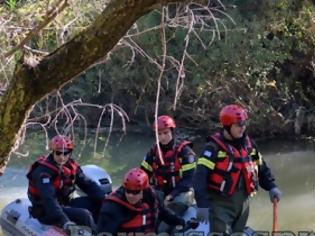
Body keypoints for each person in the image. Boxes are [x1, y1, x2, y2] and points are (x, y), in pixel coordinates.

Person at [193, 104, 282, 234]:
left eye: (244, 124)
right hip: (220, 204)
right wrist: (202, 206)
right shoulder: (212, 149)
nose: (242, 128)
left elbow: (261, 167)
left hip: (243, 204)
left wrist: (271, 186)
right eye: (238, 125)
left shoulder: (249, 146)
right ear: (227, 126)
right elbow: (199, 178)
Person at [27, 135, 106, 234]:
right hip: (45, 210)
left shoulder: (70, 166)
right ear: (52, 152)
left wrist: (106, 199)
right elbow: (48, 199)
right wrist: (64, 221)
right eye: (58, 153)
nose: (62, 157)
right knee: (84, 215)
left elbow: (88, 184)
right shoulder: (43, 172)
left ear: (70, 153)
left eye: (66, 153)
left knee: (99, 203)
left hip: (64, 204)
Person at [97, 168, 199, 234]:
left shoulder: (151, 197)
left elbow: (163, 213)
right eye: (128, 191)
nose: (131, 195)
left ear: (143, 190)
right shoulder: (112, 208)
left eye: (136, 192)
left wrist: (182, 222)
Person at [140, 115, 197, 215]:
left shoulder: (185, 151)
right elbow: (142, 174)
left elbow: (189, 180)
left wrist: (171, 195)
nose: (162, 137)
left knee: (174, 208)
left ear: (172, 131)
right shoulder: (153, 152)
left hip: (181, 191)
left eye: (166, 133)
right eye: (159, 134)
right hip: (160, 191)